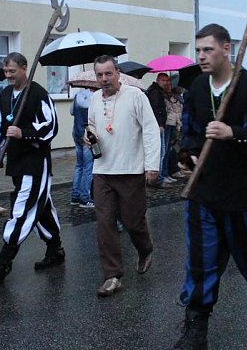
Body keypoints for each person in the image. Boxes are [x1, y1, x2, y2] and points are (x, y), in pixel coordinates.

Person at [160, 24, 247, 350]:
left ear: (226, 49)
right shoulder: (197, 88)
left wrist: (234, 132)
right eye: (198, 50)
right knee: (202, 263)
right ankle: (195, 335)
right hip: (205, 191)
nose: (201, 56)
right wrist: (187, 155)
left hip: (245, 191)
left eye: (208, 50)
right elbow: (189, 132)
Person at [0, 52, 64, 280]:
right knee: (41, 207)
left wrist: (24, 133)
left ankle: (3, 261)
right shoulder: (5, 95)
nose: (8, 76)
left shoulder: (38, 94)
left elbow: (51, 127)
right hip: (17, 164)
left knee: (23, 210)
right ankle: (56, 248)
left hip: (35, 163)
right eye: (6, 72)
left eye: (12, 71)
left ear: (23, 68)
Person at [84, 55, 161, 297]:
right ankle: (112, 275)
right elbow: (91, 125)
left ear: (118, 73)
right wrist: (89, 135)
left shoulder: (136, 95)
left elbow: (150, 129)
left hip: (130, 170)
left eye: (108, 74)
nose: (104, 79)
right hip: (103, 171)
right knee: (105, 224)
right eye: (99, 75)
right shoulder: (94, 99)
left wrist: (152, 164)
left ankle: (145, 248)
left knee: (132, 222)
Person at [70, 87, 95, 208]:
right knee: (88, 168)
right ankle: (85, 198)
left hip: (76, 132)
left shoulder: (77, 96)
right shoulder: (95, 97)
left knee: (79, 166)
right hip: (87, 134)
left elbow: (71, 112)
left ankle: (75, 196)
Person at [146, 72, 171, 187]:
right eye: (163, 80)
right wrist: (159, 124)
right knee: (160, 152)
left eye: (167, 80)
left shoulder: (158, 91)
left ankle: (158, 178)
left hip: (159, 124)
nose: (166, 82)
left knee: (162, 151)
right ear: (158, 80)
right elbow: (155, 109)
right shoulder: (155, 92)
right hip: (158, 126)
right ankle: (158, 179)